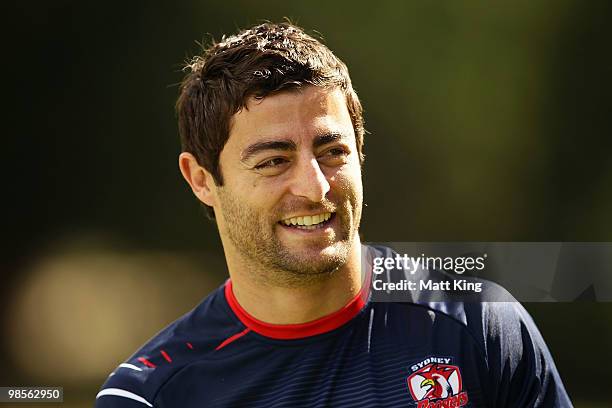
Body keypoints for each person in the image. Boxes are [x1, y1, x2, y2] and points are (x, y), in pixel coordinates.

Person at [95, 22, 572, 407]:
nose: (315, 186)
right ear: (201, 180)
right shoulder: (153, 395)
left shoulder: (479, 328)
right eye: (273, 161)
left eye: (332, 152)